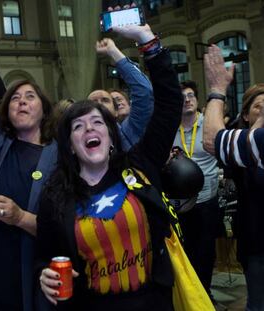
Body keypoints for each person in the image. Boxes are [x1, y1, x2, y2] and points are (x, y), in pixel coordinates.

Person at [0, 4, 153, 310]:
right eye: (14, 98)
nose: (21, 102)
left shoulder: (65, 156)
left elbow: (71, 228)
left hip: (37, 278)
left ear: (44, 108)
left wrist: (20, 218)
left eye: (30, 97)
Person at [36, 23, 183, 310]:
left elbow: (169, 103)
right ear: (69, 145)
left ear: (111, 135)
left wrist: (147, 42)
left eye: (97, 122)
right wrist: (43, 274)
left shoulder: (140, 165)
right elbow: (44, 255)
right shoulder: (54, 196)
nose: (89, 128)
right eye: (78, 126)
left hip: (153, 302)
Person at [203, 44, 264, 311]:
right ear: (246, 115)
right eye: (258, 108)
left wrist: (216, 89)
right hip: (257, 239)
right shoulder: (247, 149)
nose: (263, 112)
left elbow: (210, 139)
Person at [171, 80, 220, 298]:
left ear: (197, 100)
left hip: (206, 201)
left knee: (206, 253)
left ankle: (205, 295)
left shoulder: (210, 126)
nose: (187, 100)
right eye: (182, 97)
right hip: (180, 205)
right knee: (185, 252)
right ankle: (189, 297)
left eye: (191, 95)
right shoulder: (170, 130)